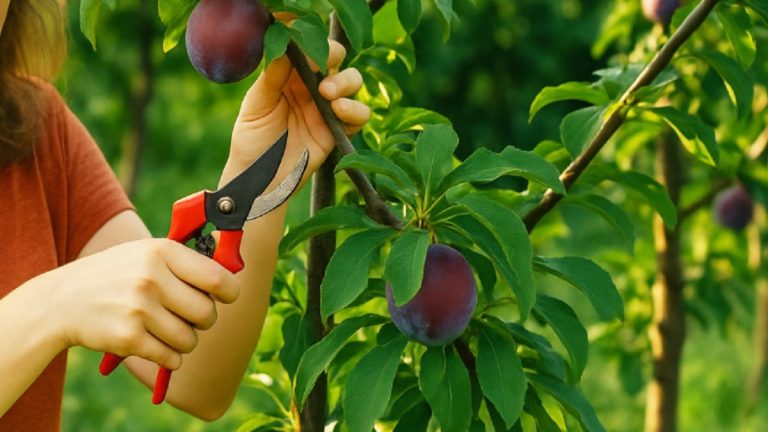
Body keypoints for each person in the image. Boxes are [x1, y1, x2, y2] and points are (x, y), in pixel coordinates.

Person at [0, 1, 370, 429]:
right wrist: (49, 307)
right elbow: (62, 303)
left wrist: (256, 183)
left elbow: (197, 380)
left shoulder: (36, 131)